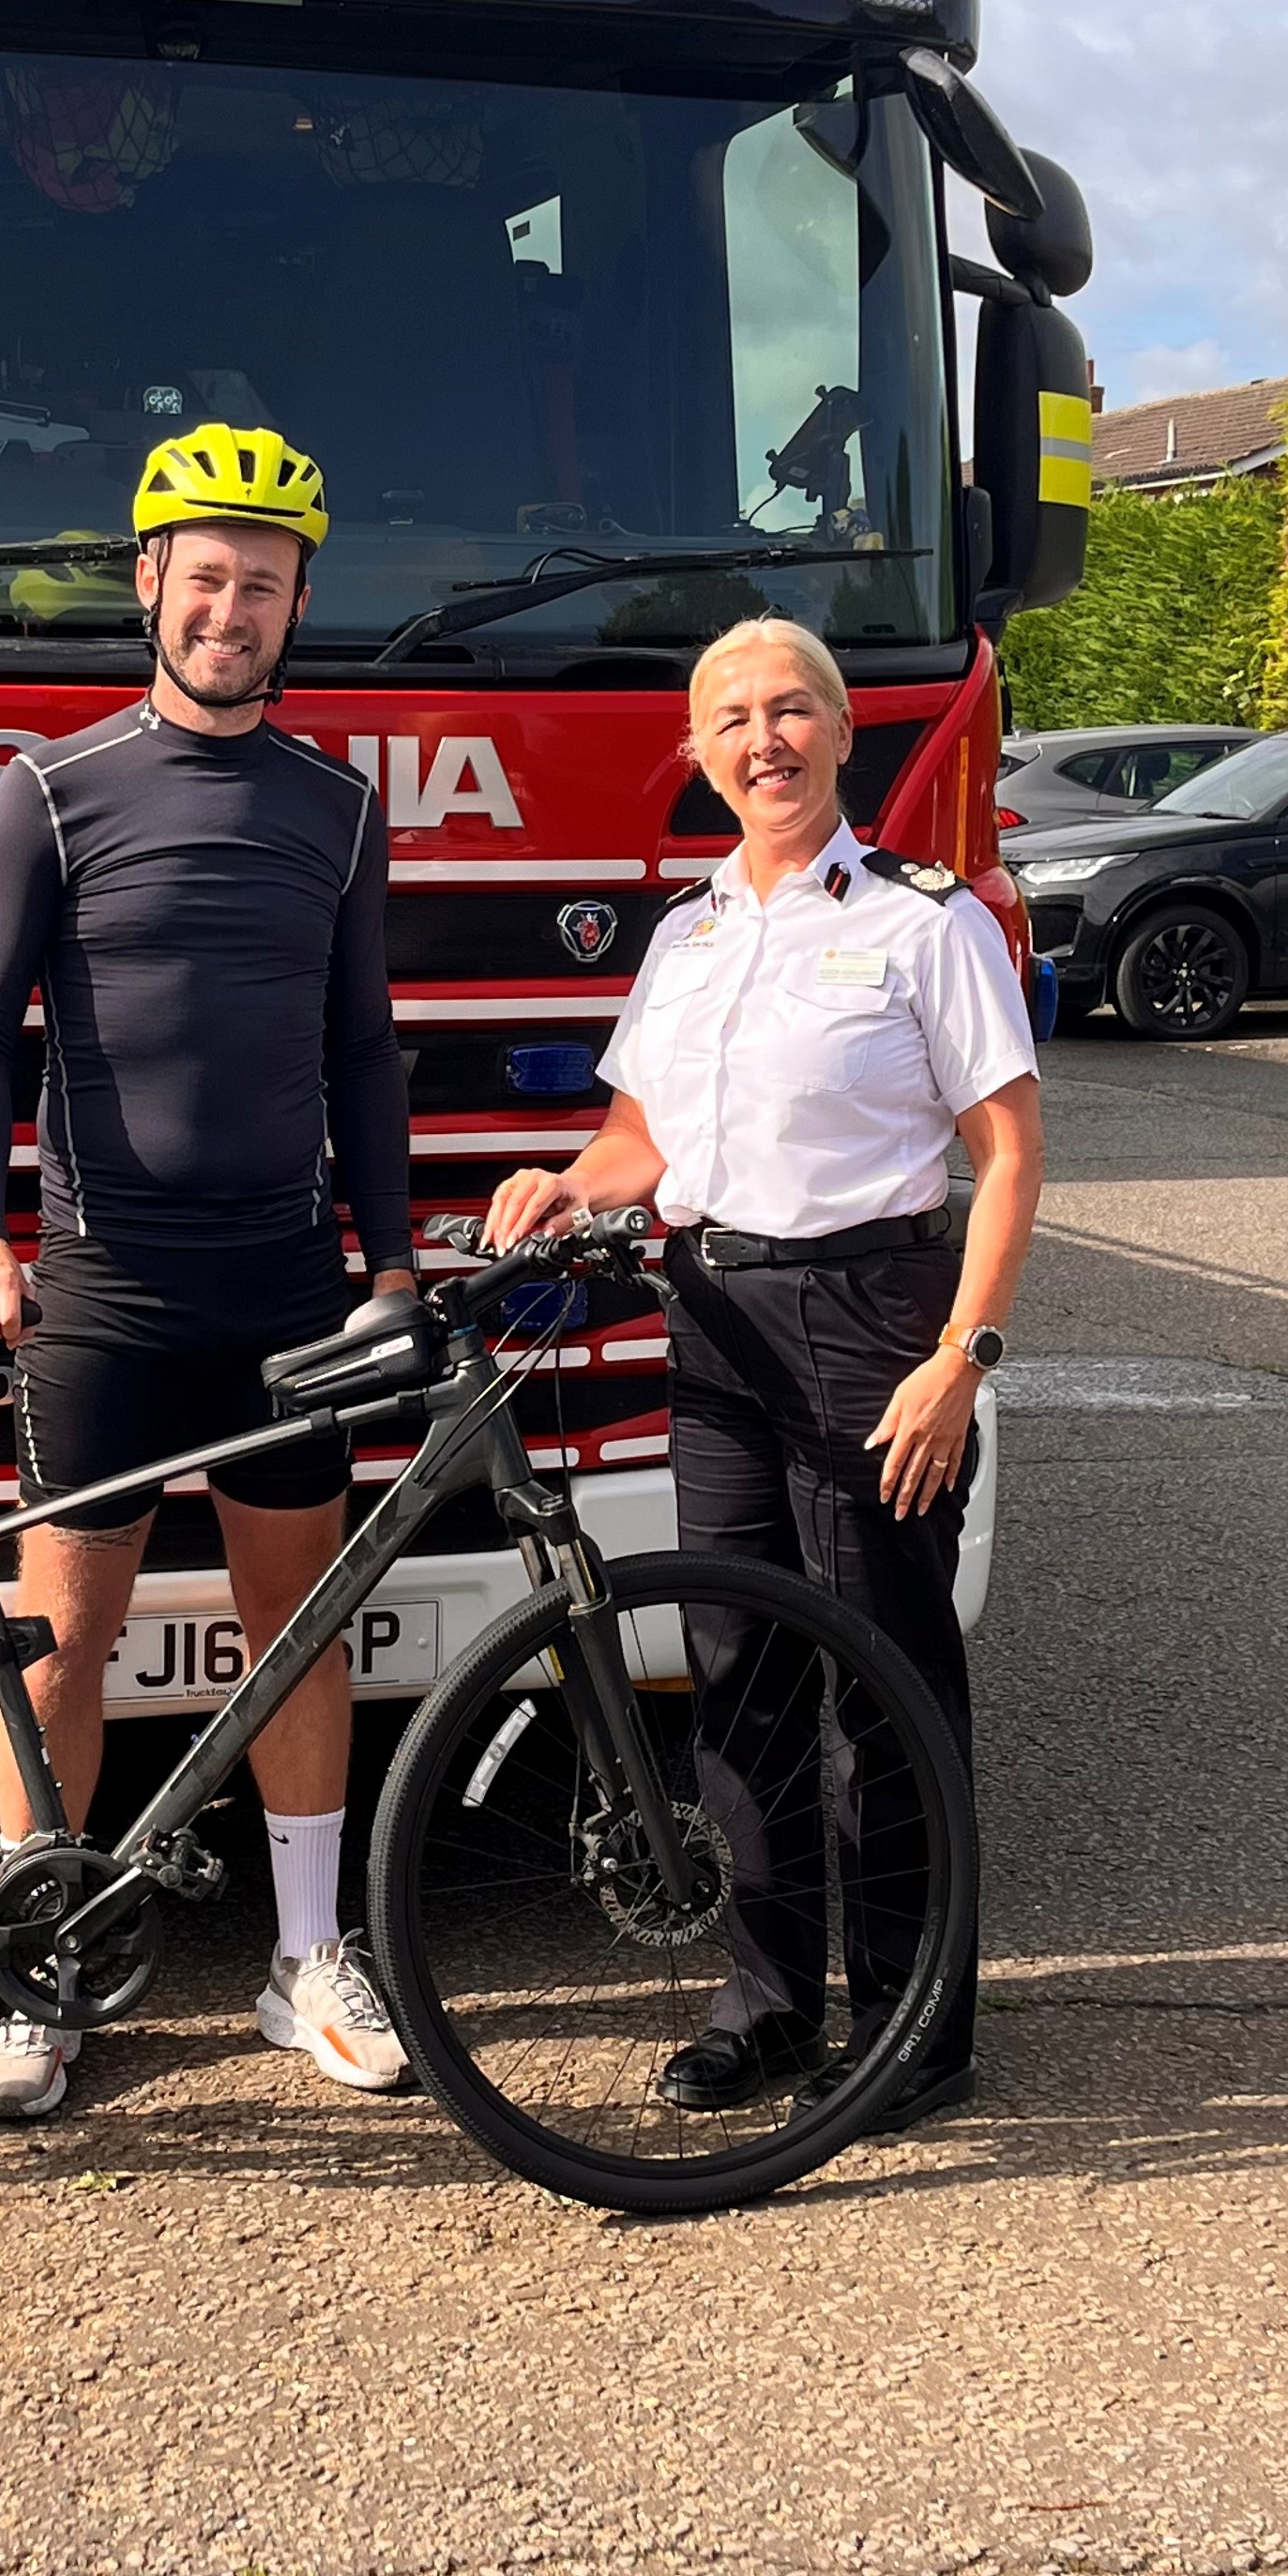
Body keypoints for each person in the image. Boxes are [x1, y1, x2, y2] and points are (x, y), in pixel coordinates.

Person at [482, 615, 1043, 2132]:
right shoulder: (690, 934)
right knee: (737, 1672)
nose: (764, 739)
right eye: (732, 719)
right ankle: (768, 2004)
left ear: (843, 732)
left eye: (792, 710)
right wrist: (566, 1182)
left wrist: (961, 1359)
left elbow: (1005, 1157)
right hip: (714, 1321)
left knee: (888, 1673)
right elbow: (644, 1143)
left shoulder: (929, 924)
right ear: (699, 754)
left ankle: (917, 2020)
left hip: (876, 1319)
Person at [0, 426, 417, 2122]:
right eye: (203, 576)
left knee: (300, 1625)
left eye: (262, 584)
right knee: (63, 1642)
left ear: (297, 608)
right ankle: (40, 1966)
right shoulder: (50, 792)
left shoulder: (341, 809)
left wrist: (397, 1264)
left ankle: (304, 1962)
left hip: (287, 1288)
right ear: (149, 586)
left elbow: (363, 1055)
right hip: (107, 1290)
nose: (231, 607)